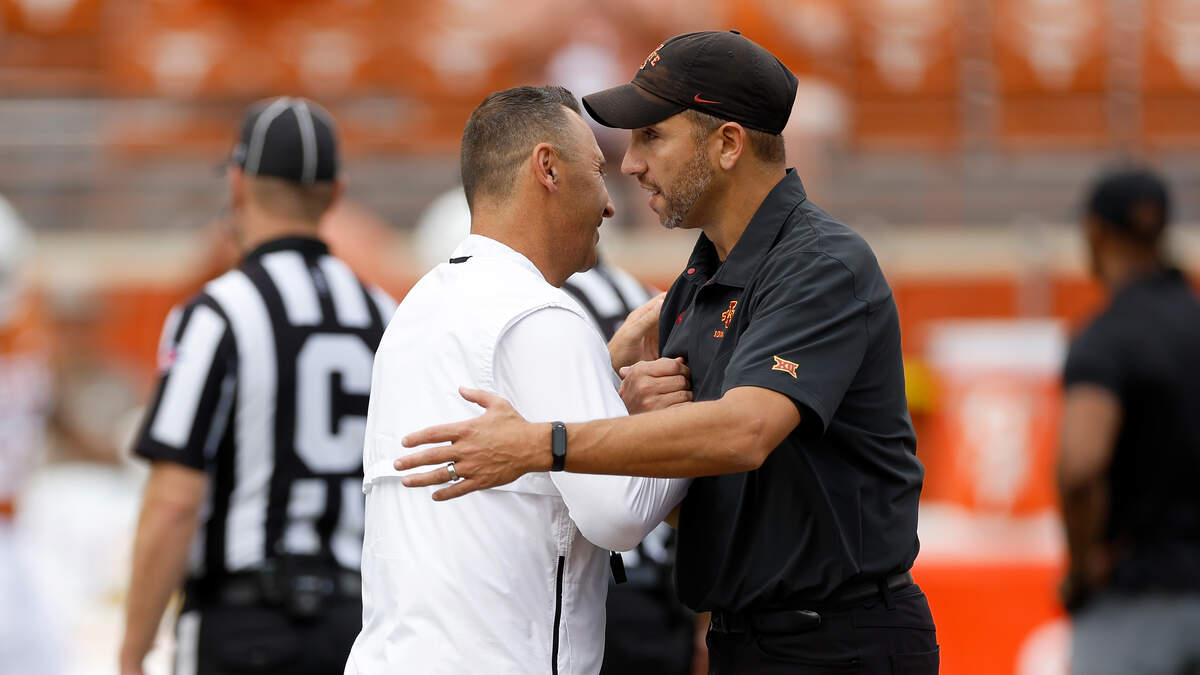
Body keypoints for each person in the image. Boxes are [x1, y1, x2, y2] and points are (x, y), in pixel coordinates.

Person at [396, 31, 939, 674]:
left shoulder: (822, 264)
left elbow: (745, 432)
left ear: (728, 144)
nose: (628, 164)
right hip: (743, 640)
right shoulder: (694, 286)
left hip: (841, 641)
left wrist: (543, 443)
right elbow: (692, 498)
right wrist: (618, 402)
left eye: (652, 135)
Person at [345, 85, 690, 675]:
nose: (609, 204)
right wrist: (679, 426)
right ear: (547, 168)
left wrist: (606, 384)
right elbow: (618, 516)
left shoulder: (416, 309)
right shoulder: (540, 313)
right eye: (598, 172)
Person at [120, 97, 395, 675]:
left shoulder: (218, 313)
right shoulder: (384, 314)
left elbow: (174, 501)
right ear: (336, 194)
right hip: (357, 627)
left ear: (238, 183)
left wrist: (133, 650)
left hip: (243, 624)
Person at [409, 182, 701, 675]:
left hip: (568, 581)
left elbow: (555, 451)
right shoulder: (653, 302)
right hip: (658, 588)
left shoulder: (521, 310)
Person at [1057, 167, 1200, 673]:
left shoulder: (1107, 338)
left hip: (1135, 606)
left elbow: (1081, 465)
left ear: (1095, 232)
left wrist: (1082, 568)